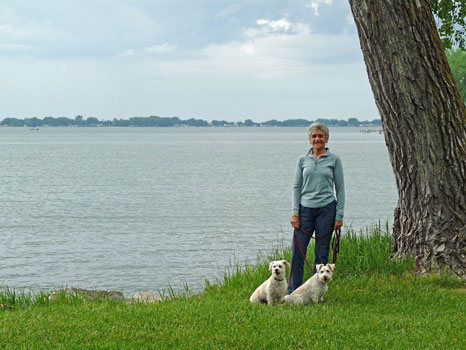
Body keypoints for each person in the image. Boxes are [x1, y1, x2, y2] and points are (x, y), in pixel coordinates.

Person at [287, 122, 344, 295]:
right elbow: (296, 187)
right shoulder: (303, 160)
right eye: (314, 136)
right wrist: (295, 213)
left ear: (326, 139)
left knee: (321, 252)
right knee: (297, 251)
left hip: (327, 210)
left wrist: (339, 215)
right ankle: (292, 291)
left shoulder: (334, 160)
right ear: (310, 139)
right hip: (304, 211)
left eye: (320, 136)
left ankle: (316, 292)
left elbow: (340, 189)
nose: (317, 139)